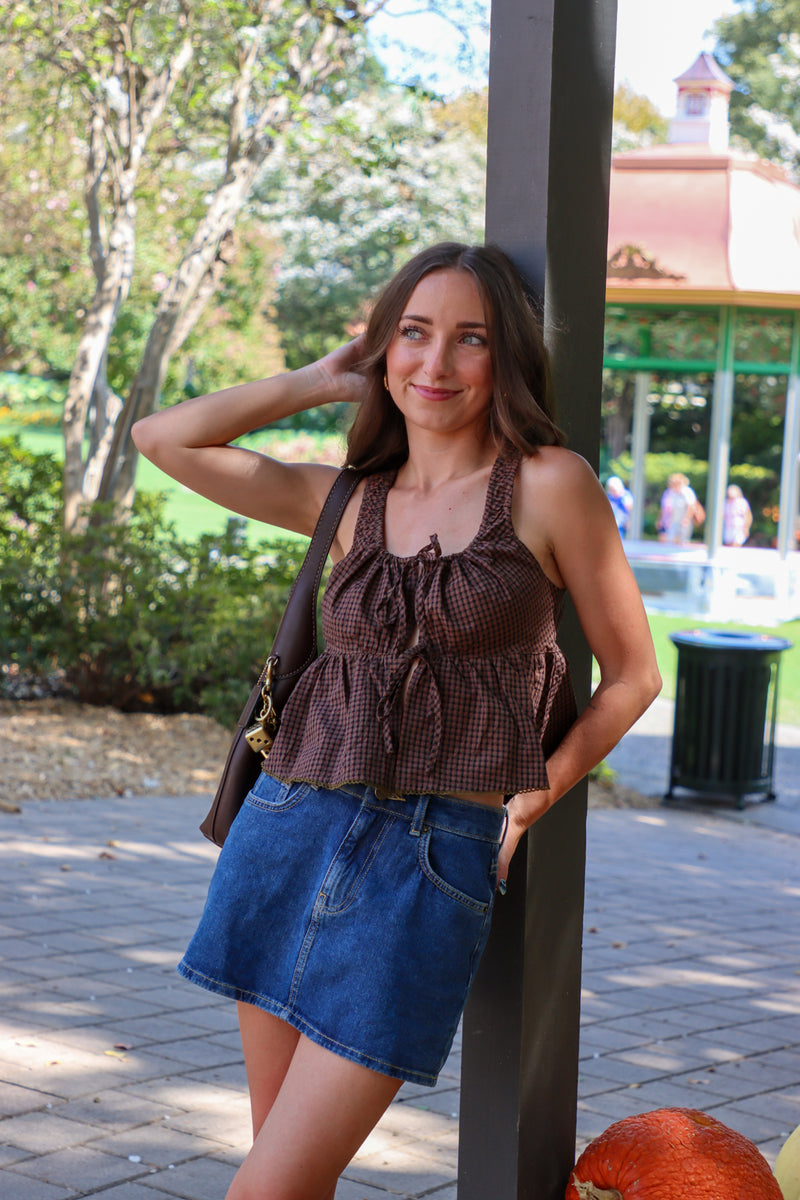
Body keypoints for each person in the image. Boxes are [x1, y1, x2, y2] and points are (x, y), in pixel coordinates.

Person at [132, 242, 661, 1200]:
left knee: (268, 1189)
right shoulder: (348, 497)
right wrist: (316, 379)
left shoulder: (550, 485)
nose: (436, 363)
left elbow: (633, 676)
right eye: (413, 334)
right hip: (287, 830)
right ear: (382, 350)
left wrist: (537, 794)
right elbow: (163, 438)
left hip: (430, 862)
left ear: (507, 357)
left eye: (471, 339)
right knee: (288, 1181)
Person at [657, 472, 700, 545]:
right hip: (671, 521)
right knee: (670, 540)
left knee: (682, 541)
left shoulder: (687, 492)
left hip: (683, 521)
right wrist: (660, 519)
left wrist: (687, 518)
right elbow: (664, 507)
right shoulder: (669, 492)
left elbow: (691, 506)